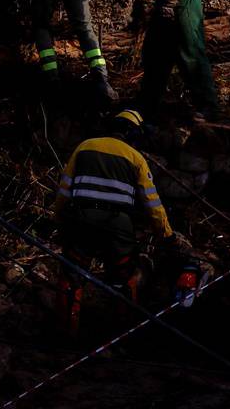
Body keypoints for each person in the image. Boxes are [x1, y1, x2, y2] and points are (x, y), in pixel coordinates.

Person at [52, 109, 193, 330]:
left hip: (81, 218)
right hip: (117, 224)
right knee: (123, 275)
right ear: (134, 133)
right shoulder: (135, 157)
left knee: (72, 273)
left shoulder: (84, 147)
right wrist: (166, 234)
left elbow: (64, 190)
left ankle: (65, 331)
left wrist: (60, 220)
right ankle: (121, 333)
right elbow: (152, 204)